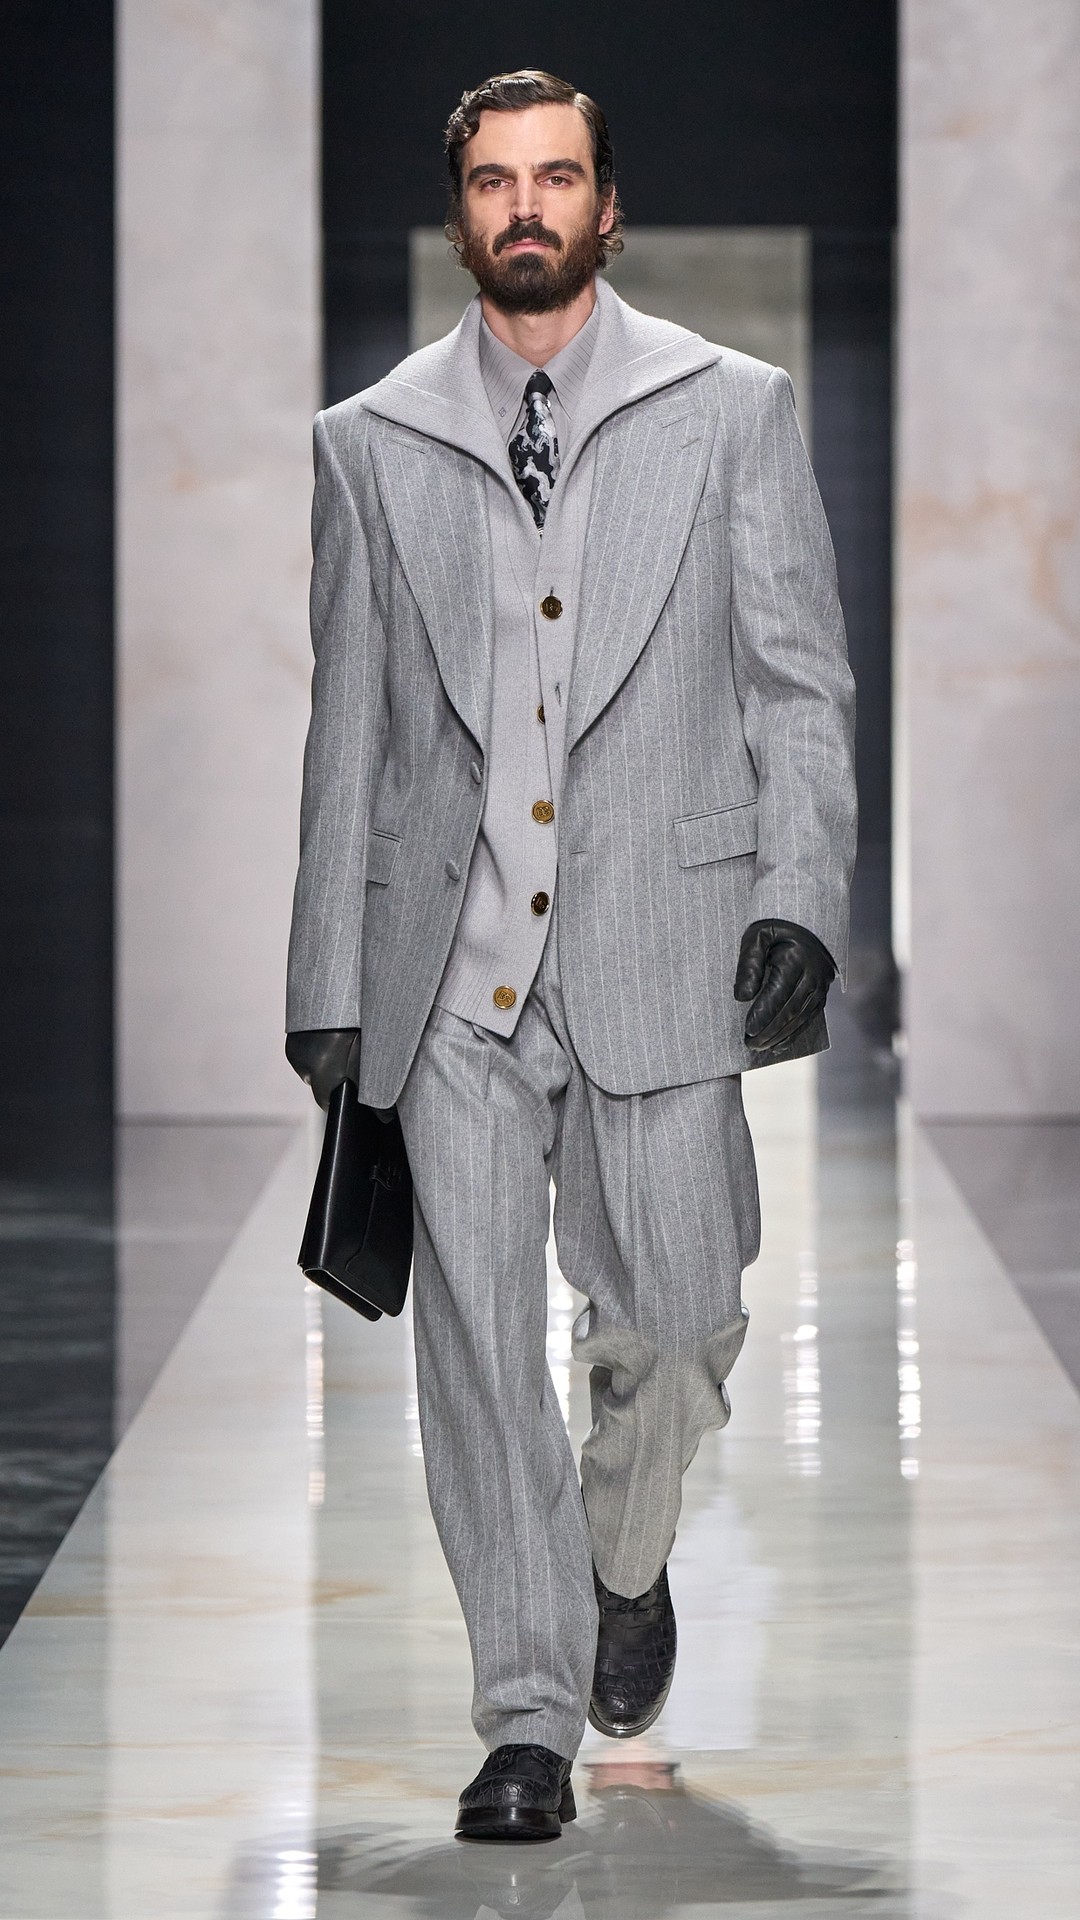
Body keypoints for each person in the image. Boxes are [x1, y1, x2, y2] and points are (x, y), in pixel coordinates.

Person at [286, 69, 856, 1843]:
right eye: (492, 180)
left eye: (555, 178)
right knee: (474, 1359)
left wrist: (800, 894)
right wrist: (325, 981)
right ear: (461, 212)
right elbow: (350, 725)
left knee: (680, 1319)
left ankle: (625, 1555)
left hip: (665, 943)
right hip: (448, 974)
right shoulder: (369, 440)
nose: (524, 205)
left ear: (609, 207)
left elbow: (798, 681)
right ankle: (525, 1718)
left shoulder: (730, 409)